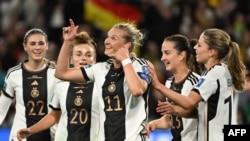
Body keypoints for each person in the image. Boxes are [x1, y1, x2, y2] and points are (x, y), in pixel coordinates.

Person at [55, 19, 151, 141]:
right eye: (107, 37)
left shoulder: (140, 65)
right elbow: (61, 73)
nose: (107, 41)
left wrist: (125, 59)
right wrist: (68, 42)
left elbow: (137, 90)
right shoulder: (100, 69)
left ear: (127, 45)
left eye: (114, 38)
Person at [147, 28, 246, 141]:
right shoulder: (223, 71)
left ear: (211, 52)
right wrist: (172, 111)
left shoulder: (211, 75)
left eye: (199, 45)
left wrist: (158, 86)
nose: (194, 48)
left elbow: (189, 102)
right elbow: (199, 113)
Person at [16, 31, 99, 141]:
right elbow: (54, 116)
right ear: (71, 60)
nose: (83, 58)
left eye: (88, 55)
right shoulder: (62, 87)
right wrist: (31, 130)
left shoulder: (102, 85)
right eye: (78, 54)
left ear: (95, 60)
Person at [0, 28, 57, 141]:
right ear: (25, 46)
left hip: (50, 136)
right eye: (32, 43)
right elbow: (1, 108)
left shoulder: (56, 74)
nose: (37, 47)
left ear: (47, 46)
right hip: (19, 136)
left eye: (41, 43)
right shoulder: (13, 74)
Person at [146, 34, 201, 141]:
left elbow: (199, 113)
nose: (162, 58)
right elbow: (172, 119)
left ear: (181, 55)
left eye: (167, 53)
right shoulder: (169, 82)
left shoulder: (196, 82)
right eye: (162, 53)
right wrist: (154, 123)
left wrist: (158, 86)